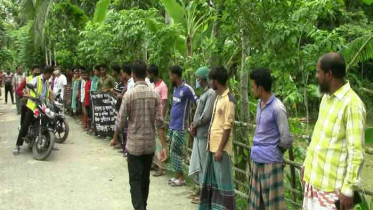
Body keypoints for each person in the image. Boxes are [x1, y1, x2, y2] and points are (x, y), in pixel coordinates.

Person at [301, 53, 366, 210]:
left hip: (333, 192)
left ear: (328, 74)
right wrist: (306, 165)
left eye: (318, 72)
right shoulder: (326, 98)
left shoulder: (352, 104)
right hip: (314, 185)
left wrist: (348, 190)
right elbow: (319, 137)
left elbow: (356, 153)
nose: (316, 76)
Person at [115, 60, 168, 210]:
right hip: (149, 146)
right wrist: (164, 146)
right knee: (145, 178)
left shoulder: (129, 95)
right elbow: (159, 123)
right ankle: (143, 205)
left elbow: (120, 121)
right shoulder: (155, 95)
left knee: (135, 180)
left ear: (132, 74)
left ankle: (139, 207)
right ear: (145, 74)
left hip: (133, 146)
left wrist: (114, 138)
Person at [247, 68, 293, 210]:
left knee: (273, 205)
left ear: (260, 87)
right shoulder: (260, 105)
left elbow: (286, 138)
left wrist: (276, 153)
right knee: (258, 202)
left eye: (253, 86)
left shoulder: (277, 108)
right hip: (257, 160)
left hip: (270, 163)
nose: (252, 89)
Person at [199, 66, 235, 210]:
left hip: (221, 150)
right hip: (212, 147)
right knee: (213, 184)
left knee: (223, 184)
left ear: (216, 81)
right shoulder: (218, 98)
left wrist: (220, 149)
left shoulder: (229, 100)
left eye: (211, 80)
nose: (210, 83)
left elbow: (227, 127)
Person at [188, 67, 216, 204]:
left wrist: (195, 124)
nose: (197, 81)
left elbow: (206, 116)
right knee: (199, 163)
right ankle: (201, 191)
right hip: (199, 133)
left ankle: (205, 195)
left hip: (204, 134)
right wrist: (194, 126)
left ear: (204, 79)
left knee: (204, 165)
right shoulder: (204, 93)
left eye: (199, 78)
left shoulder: (211, 93)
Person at [13, 66, 54, 155]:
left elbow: (46, 95)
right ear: (47, 73)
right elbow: (28, 86)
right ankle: (17, 145)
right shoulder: (37, 79)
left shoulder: (47, 83)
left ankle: (48, 142)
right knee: (25, 124)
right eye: (50, 75)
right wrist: (28, 94)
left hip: (42, 106)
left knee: (47, 121)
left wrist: (51, 100)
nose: (50, 77)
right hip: (33, 105)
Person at [168, 65, 197, 187]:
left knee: (177, 152)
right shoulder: (175, 88)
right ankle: (178, 176)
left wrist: (195, 121)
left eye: (170, 74)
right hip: (172, 125)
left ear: (175, 75)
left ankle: (181, 178)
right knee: (173, 152)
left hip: (180, 126)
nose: (169, 77)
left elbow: (198, 103)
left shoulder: (187, 89)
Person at [147, 64, 169, 177]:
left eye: (149, 74)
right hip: (153, 117)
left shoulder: (163, 86)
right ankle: (156, 164)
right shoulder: (152, 85)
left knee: (161, 142)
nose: (148, 76)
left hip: (158, 118)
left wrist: (161, 117)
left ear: (153, 74)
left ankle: (162, 167)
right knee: (154, 141)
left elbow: (164, 103)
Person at [110, 62, 132, 155]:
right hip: (121, 106)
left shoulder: (129, 84)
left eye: (122, 72)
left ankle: (123, 146)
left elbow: (122, 96)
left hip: (126, 109)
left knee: (123, 126)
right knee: (122, 126)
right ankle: (123, 146)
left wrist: (114, 93)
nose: (121, 74)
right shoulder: (126, 83)